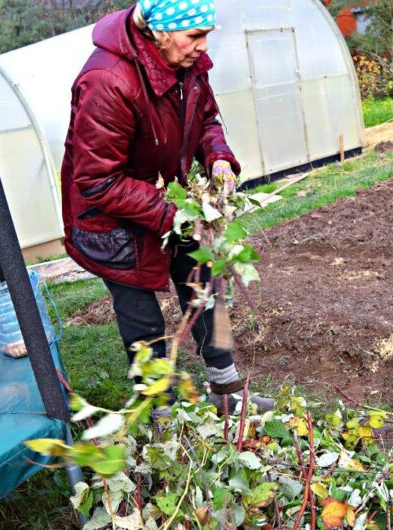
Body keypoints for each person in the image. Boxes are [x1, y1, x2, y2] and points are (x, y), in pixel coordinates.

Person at [60, 0, 273, 414]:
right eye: (195, 35)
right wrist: (176, 213)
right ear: (161, 32)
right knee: (142, 318)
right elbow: (97, 180)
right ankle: (161, 414)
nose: (203, 46)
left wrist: (219, 159)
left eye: (207, 34)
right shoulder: (107, 80)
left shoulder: (188, 66)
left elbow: (206, 119)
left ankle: (226, 388)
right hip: (111, 219)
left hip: (170, 201)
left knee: (206, 285)